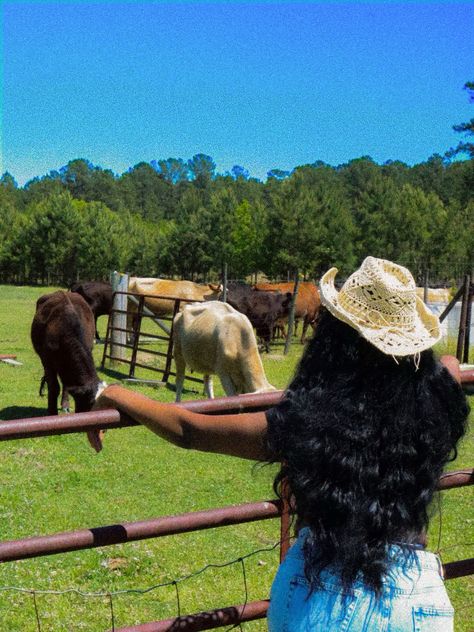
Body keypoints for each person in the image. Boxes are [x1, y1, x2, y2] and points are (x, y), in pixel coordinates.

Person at [93, 257, 469, 631]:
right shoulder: (437, 403)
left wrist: (114, 392)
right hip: (417, 601)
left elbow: (189, 429)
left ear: (334, 338)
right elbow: (450, 365)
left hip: (320, 595)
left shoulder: (309, 420)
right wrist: (437, 369)